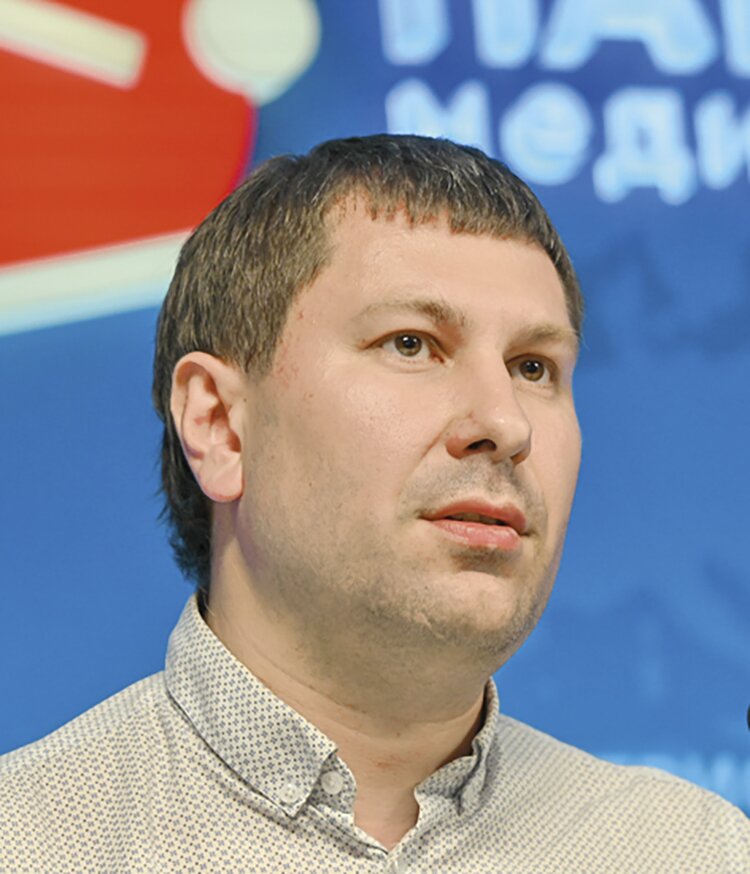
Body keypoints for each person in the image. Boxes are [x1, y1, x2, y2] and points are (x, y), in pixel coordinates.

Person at [0, 134, 747, 872]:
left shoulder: (694, 851)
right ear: (220, 424)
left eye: (532, 366)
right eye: (411, 344)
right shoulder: (30, 842)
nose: (506, 423)